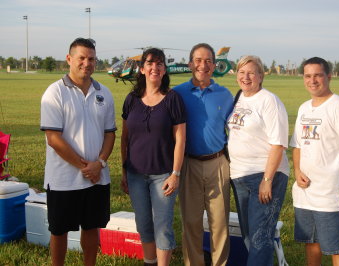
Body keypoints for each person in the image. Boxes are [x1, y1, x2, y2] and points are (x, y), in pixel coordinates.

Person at [40, 38, 116, 266]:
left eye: (91, 58)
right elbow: (53, 138)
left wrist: (99, 163)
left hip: (96, 179)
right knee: (59, 231)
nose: (86, 63)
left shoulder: (104, 93)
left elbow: (110, 134)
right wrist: (85, 167)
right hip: (64, 179)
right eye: (81, 58)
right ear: (69, 59)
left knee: (92, 228)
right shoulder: (54, 92)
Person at [290, 57, 339, 266]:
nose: (312, 80)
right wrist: (297, 171)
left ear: (328, 77)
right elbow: (297, 145)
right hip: (304, 193)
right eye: (307, 76)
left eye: (318, 75)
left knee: (336, 247)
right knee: (311, 242)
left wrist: (332, 166)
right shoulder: (304, 108)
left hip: (329, 194)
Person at [120, 48, 186, 266]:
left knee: (163, 226)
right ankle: (150, 262)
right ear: (142, 69)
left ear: (164, 70)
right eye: (150, 63)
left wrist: (175, 173)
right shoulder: (131, 99)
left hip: (163, 175)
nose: (154, 68)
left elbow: (180, 140)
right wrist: (124, 171)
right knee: (144, 224)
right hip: (135, 174)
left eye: (159, 64)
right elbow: (125, 139)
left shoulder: (172, 99)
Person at [173, 43, 233, 266]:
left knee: (220, 223)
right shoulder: (178, 94)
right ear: (190, 64)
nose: (203, 65)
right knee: (191, 221)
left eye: (208, 61)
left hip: (218, 163)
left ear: (214, 65)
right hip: (188, 164)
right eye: (198, 60)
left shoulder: (225, 95)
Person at [227, 55, 289, 265]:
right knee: (250, 237)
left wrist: (267, 179)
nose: (246, 77)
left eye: (251, 72)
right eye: (242, 72)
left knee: (260, 237)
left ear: (261, 76)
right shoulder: (239, 98)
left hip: (264, 176)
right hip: (239, 176)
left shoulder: (269, 100)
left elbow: (278, 143)